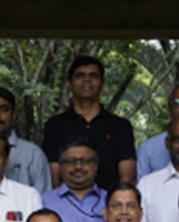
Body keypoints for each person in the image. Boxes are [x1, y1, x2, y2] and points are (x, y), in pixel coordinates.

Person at [41, 55, 136, 192]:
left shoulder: (120, 126)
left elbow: (127, 178)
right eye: (80, 76)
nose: (87, 80)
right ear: (69, 84)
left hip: (109, 208)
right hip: (66, 208)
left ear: (102, 83)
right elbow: (54, 178)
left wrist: (113, 207)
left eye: (93, 76)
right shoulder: (55, 126)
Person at [40, 136, 110, 222]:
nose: (78, 166)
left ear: (96, 166)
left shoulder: (111, 201)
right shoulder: (43, 202)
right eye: (70, 161)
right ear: (60, 167)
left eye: (86, 161)